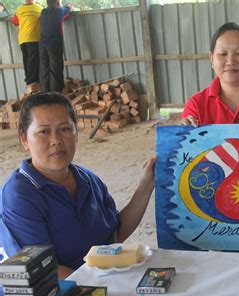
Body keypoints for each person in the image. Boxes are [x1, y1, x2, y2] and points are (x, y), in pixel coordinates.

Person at [0, 92, 156, 278]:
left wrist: (146, 186)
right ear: (24, 139)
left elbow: (114, 235)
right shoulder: (19, 195)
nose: (56, 140)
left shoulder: (88, 180)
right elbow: (44, 269)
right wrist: (102, 290)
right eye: (44, 131)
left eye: (65, 129)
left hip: (95, 285)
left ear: (76, 133)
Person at [39, 0, 71, 93]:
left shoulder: (43, 12)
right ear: (57, 2)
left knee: (44, 71)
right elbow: (69, 9)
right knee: (55, 70)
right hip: (54, 45)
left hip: (42, 45)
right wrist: (63, 5)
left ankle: (45, 94)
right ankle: (55, 95)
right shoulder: (59, 11)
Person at [11, 0, 42, 90]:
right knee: (34, 61)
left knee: (27, 60)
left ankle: (29, 81)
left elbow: (15, 22)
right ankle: (33, 82)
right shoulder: (39, 8)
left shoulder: (19, 10)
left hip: (23, 39)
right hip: (34, 38)